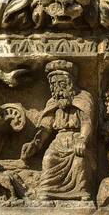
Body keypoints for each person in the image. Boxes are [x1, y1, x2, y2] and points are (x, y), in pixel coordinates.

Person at [22, 60, 95, 201]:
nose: (58, 89)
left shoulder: (83, 98)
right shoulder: (53, 103)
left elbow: (87, 122)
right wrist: (35, 144)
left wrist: (82, 140)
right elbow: (46, 127)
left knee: (79, 162)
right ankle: (47, 191)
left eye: (61, 84)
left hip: (76, 139)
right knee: (48, 159)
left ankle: (80, 192)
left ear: (70, 83)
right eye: (54, 85)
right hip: (58, 141)